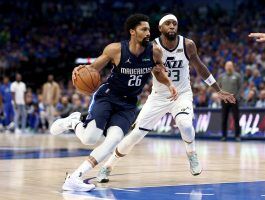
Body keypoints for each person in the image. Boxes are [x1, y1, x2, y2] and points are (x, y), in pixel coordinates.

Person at [96, 14, 236, 183]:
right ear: (160, 28)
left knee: (185, 124)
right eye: (168, 23)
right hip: (158, 96)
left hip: (182, 94)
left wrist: (218, 89)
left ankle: (192, 154)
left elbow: (200, 67)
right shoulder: (152, 47)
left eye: (175, 23)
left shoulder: (188, 45)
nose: (172, 26)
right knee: (134, 136)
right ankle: (108, 166)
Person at [50, 14, 178, 192]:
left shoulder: (155, 51)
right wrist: (79, 71)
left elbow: (158, 71)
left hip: (128, 104)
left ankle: (75, 177)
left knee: (113, 141)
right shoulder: (115, 50)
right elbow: (93, 69)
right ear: (132, 32)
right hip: (108, 96)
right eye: (144, 29)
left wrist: (169, 84)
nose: (149, 32)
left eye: (149, 29)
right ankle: (73, 121)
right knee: (90, 138)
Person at [218, 61, 241, 141]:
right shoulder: (221, 76)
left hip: (234, 100)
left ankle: (237, 136)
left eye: (230, 65)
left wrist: (236, 97)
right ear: (225, 67)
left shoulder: (237, 76)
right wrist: (221, 96)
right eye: (227, 65)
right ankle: (224, 136)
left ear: (233, 66)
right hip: (224, 101)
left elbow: (240, 88)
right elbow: (218, 88)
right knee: (224, 119)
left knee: (236, 118)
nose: (229, 67)